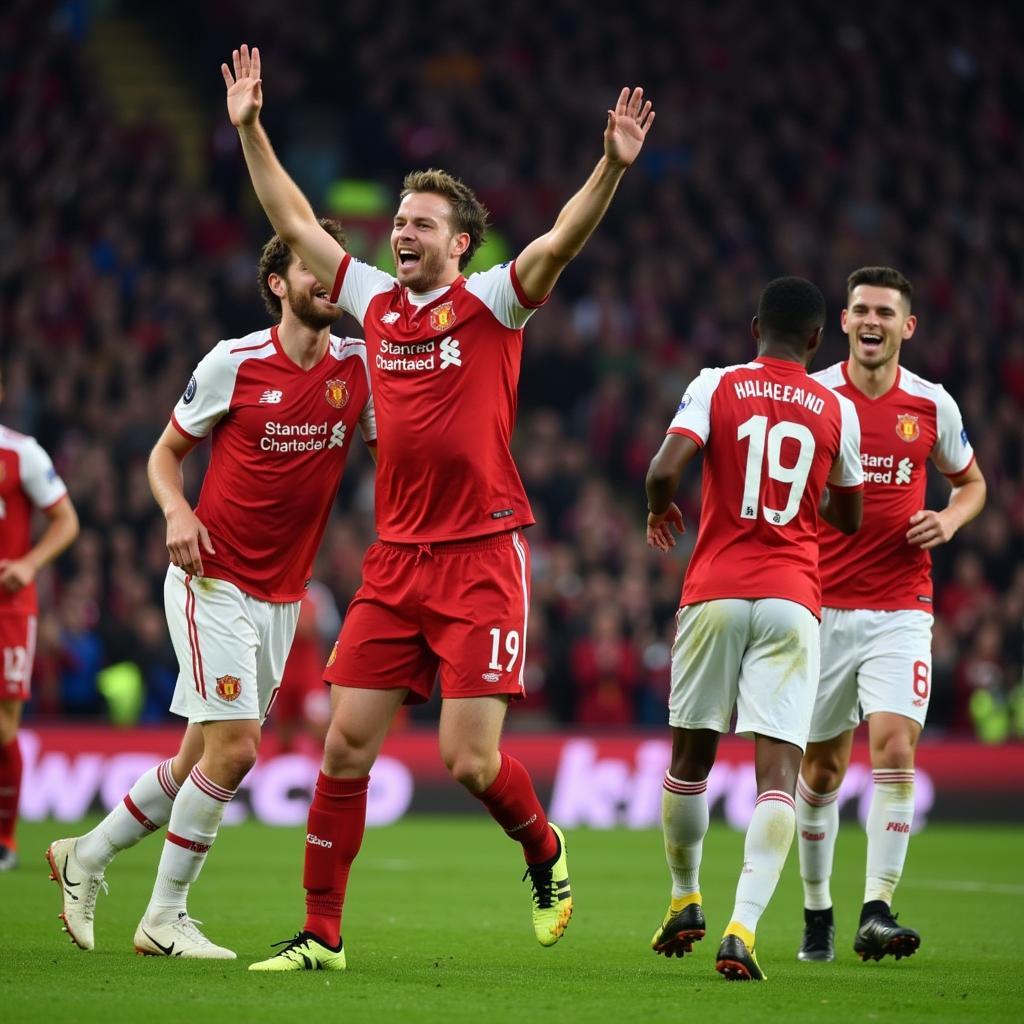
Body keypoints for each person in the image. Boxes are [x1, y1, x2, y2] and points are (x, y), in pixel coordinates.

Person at [221, 43, 654, 971]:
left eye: (423, 223)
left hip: (483, 556)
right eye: (400, 222)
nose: (402, 233)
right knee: (342, 749)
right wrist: (252, 128)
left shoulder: (495, 302)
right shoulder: (372, 302)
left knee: (466, 760)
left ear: (461, 244)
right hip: (397, 560)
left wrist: (609, 168)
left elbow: (560, 242)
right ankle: (322, 935)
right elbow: (293, 220)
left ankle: (543, 849)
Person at [46, 222, 377, 958]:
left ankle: (87, 855)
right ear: (278, 286)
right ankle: (165, 916)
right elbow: (165, 455)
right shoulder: (234, 362)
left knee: (199, 754)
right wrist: (177, 510)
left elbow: (393, 449)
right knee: (235, 749)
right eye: (309, 267)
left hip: (283, 598)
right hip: (213, 579)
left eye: (334, 266)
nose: (328, 278)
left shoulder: (358, 369)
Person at [645, 277, 864, 982]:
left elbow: (663, 471)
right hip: (793, 599)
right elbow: (852, 516)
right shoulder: (837, 407)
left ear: (754, 328)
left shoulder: (715, 384)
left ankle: (684, 899)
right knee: (778, 774)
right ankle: (742, 927)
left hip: (714, 591)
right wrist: (802, 503)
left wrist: (658, 510)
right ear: (816, 340)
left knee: (689, 761)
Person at [794, 266, 986, 964]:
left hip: (902, 605)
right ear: (843, 322)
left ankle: (877, 907)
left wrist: (950, 519)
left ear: (907, 327)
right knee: (819, 772)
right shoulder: (813, 397)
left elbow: (972, 483)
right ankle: (817, 909)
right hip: (818, 607)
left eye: (885, 312)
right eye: (860, 310)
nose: (871, 321)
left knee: (896, 748)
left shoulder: (932, 405)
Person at [0, 365, 80, 870]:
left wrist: (28, 563)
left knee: (3, 725)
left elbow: (66, 520)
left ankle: (5, 839)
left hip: (7, 607)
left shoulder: (21, 452)